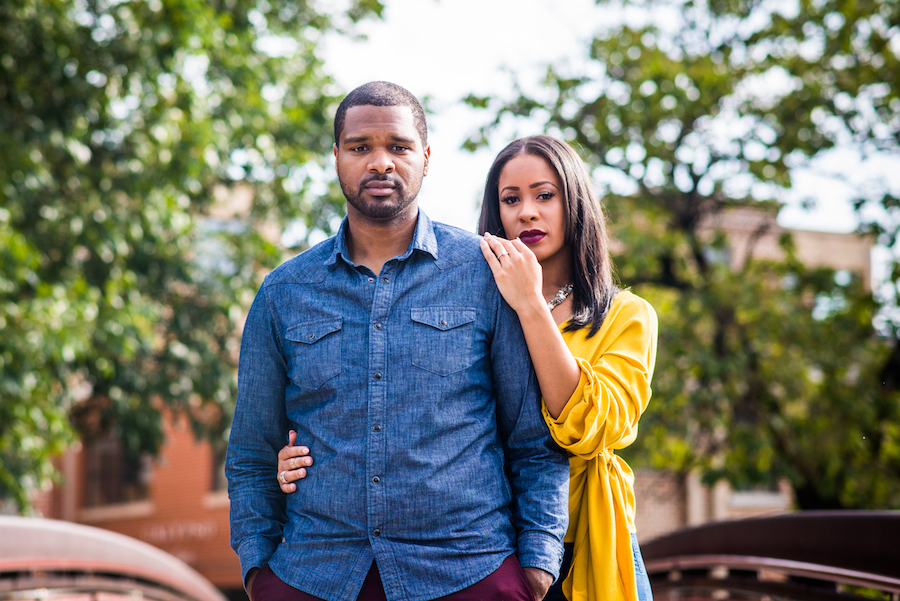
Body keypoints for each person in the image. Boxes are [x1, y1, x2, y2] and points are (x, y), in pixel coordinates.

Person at [225, 83, 569, 601]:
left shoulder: (486, 274)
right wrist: (258, 572)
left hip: (469, 570)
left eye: (399, 147)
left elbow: (532, 440)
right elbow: (252, 453)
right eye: (360, 147)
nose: (381, 162)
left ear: (425, 158)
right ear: (336, 157)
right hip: (315, 574)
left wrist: (538, 566)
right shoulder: (284, 292)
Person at [277, 135, 658, 601]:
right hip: (482, 553)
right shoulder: (471, 299)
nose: (527, 213)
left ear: (575, 203)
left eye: (545, 195)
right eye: (510, 199)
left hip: (585, 544)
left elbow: (590, 427)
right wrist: (309, 458)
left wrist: (530, 306)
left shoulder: (626, 316)